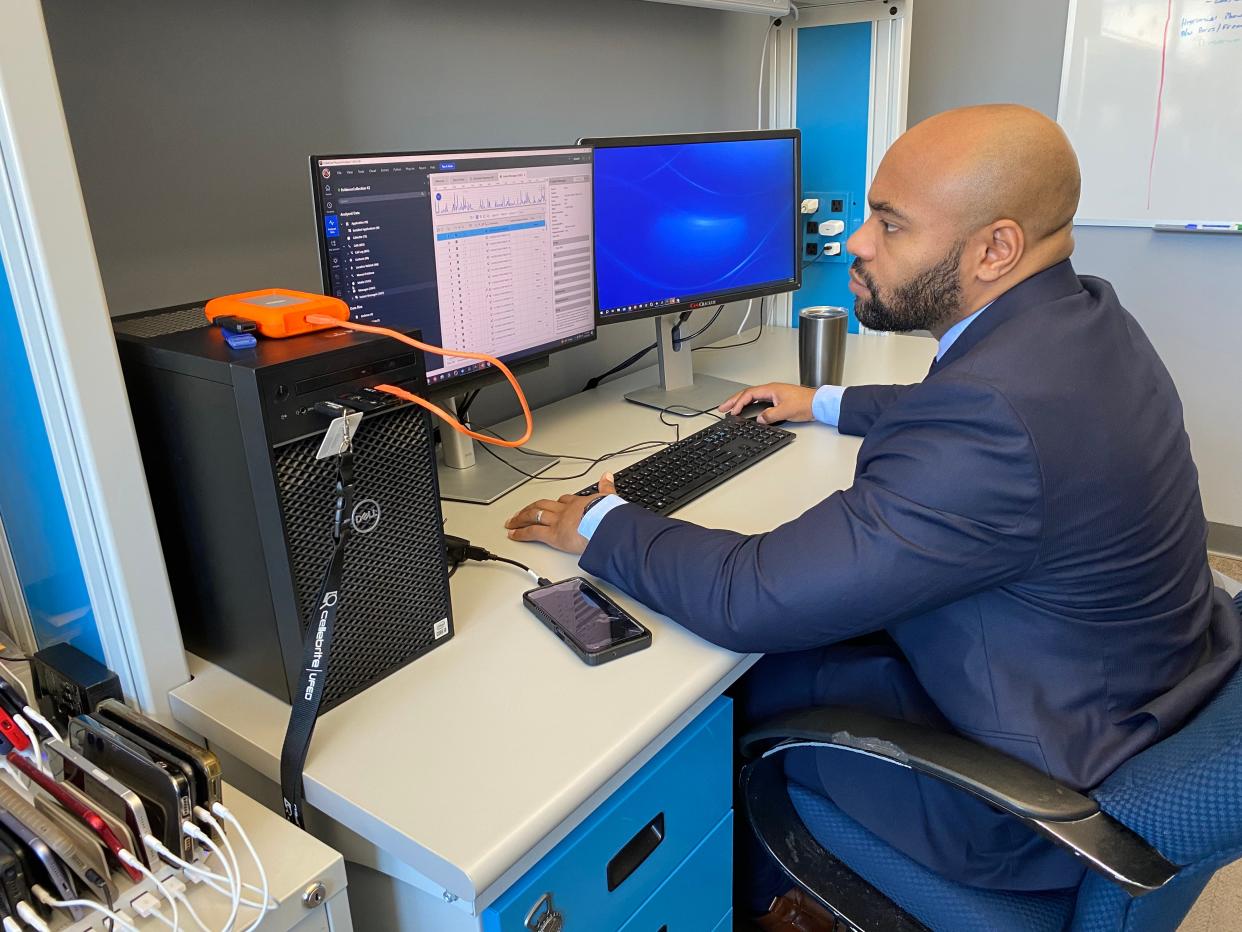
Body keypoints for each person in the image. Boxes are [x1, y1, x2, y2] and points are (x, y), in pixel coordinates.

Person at [504, 105, 1242, 928]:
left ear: (995, 249)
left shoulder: (988, 420)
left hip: (1033, 804)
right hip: (1126, 692)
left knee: (724, 690)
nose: (856, 241)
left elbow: (752, 595)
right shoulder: (1085, 321)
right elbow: (967, 407)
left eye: (889, 225)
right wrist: (822, 401)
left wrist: (600, 523)